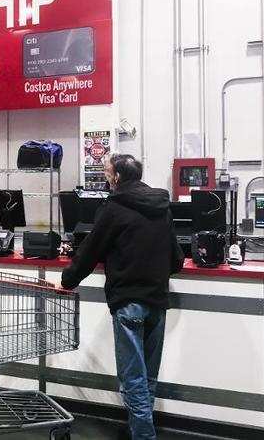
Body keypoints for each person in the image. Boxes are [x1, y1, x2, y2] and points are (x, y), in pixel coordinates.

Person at [61, 154, 184, 440]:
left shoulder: (113, 208)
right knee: (146, 377)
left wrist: (68, 280)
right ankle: (138, 429)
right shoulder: (162, 207)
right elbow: (176, 260)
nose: (105, 176)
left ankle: (143, 435)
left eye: (107, 172)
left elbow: (90, 250)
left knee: (132, 379)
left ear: (116, 177)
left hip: (128, 302)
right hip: (157, 300)